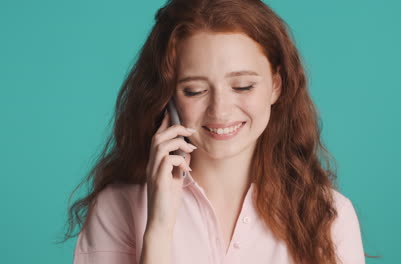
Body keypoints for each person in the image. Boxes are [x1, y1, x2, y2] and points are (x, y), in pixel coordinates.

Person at [65, 0, 366, 263]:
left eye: (243, 86)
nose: (220, 111)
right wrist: (158, 229)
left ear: (277, 84)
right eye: (194, 90)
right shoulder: (116, 208)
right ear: (166, 95)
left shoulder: (331, 217)